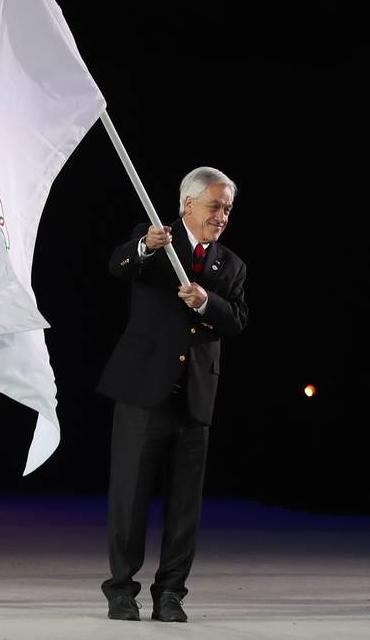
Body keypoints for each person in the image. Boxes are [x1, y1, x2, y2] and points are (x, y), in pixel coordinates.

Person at [97, 166, 247, 623]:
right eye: (215, 206)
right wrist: (144, 247)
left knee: (185, 505)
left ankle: (171, 593)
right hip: (144, 391)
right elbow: (118, 265)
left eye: (228, 208)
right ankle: (122, 590)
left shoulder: (232, 265)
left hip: (195, 397)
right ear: (188, 205)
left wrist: (206, 302)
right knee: (130, 497)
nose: (222, 216)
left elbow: (237, 320)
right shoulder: (154, 239)